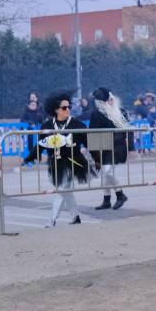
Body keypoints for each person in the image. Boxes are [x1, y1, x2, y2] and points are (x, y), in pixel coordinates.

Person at [39, 91, 89, 227]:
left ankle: (52, 220)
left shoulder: (77, 124)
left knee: (62, 189)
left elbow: (89, 140)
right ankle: (76, 216)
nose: (68, 110)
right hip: (55, 162)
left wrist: (90, 153)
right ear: (55, 110)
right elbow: (41, 142)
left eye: (69, 107)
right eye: (64, 107)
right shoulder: (47, 125)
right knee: (66, 191)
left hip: (73, 161)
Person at [88, 87, 133, 211]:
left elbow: (129, 131)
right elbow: (92, 133)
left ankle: (120, 194)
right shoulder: (96, 114)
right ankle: (106, 200)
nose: (110, 102)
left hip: (118, 147)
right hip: (103, 146)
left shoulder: (121, 112)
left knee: (107, 172)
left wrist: (131, 148)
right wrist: (93, 153)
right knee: (104, 173)